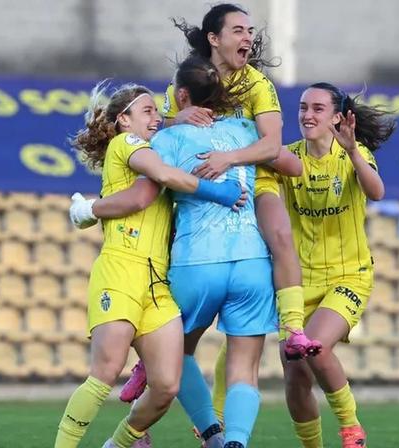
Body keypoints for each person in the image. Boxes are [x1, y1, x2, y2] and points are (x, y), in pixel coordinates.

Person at [120, 3, 321, 420]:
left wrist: (229, 159)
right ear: (215, 39)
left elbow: (270, 146)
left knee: (281, 235)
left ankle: (294, 329)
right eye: (238, 30)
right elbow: (153, 128)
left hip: (251, 181)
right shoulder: (186, 83)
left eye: (250, 31)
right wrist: (177, 120)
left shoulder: (257, 83)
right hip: (192, 196)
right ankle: (150, 364)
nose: (248, 37)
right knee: (159, 255)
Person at [56, 82, 244, 448]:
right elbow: (158, 181)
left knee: (166, 386)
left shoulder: (154, 147)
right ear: (124, 120)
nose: (155, 118)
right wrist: (217, 192)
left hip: (156, 280)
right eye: (147, 112)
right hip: (122, 267)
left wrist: (174, 121)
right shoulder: (126, 145)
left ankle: (118, 444)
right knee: (106, 372)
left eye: (157, 112)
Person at [273, 83, 394, 448]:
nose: (308, 115)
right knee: (293, 370)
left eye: (318, 109)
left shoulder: (355, 155)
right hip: (298, 282)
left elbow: (376, 192)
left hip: (348, 275)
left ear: (338, 118)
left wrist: (354, 151)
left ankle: (351, 428)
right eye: (303, 107)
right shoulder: (288, 158)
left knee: (313, 346)